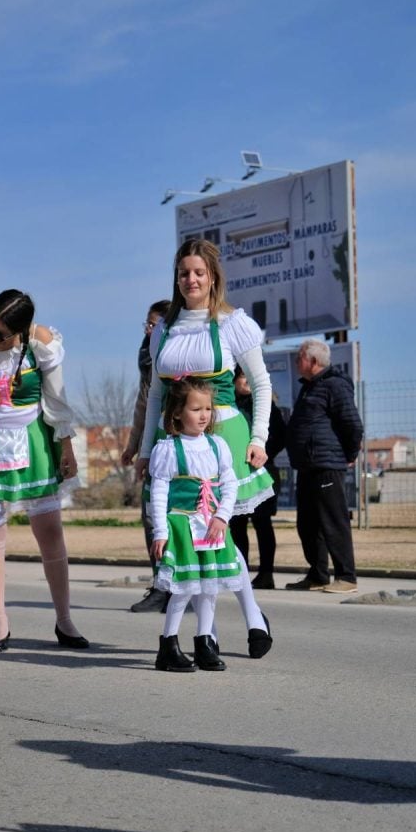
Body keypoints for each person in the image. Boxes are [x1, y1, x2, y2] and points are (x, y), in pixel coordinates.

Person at [136, 240, 273, 651]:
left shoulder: (234, 324)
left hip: (224, 437)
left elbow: (262, 383)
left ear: (212, 276)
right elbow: (157, 397)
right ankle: (209, 633)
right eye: (183, 273)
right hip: (175, 441)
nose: (190, 279)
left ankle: (250, 620)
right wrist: (145, 450)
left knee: (219, 536)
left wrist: (259, 437)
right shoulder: (165, 328)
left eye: (198, 272)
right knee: (193, 537)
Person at [0, 289, 87, 652]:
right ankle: (0, 622)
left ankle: (64, 619)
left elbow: (56, 402)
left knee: (50, 533)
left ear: (19, 332)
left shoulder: (42, 345)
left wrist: (66, 445)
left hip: (33, 442)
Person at [149, 378, 242, 672]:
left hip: (211, 526)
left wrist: (222, 515)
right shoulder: (168, 448)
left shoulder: (217, 445)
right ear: (177, 412)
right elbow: (159, 491)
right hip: (181, 525)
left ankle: (205, 642)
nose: (204, 415)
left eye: (208, 408)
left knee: (209, 588)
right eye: (195, 408)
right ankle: (168, 644)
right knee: (185, 588)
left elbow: (230, 484)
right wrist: (160, 531)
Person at [285, 338, 363, 594]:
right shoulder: (310, 387)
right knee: (307, 524)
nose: (297, 362)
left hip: (327, 464)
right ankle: (318, 575)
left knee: (333, 521)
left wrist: (349, 454)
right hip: (307, 465)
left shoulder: (335, 385)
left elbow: (352, 424)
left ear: (314, 361)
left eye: (300, 357)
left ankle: (346, 576)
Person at [122, 300, 172, 613]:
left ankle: (178, 587)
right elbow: (143, 407)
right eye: (147, 325)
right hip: (153, 448)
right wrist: (134, 447)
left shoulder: (176, 355)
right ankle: (160, 584)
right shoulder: (147, 357)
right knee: (151, 516)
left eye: (155, 325)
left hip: (177, 445)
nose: (149, 330)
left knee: (172, 519)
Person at [229, 366, 287, 590]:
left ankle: (266, 574)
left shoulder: (264, 405)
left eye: (248, 376)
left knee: (263, 524)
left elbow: (280, 435)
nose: (245, 381)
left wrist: (261, 452)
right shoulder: (229, 406)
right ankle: (240, 574)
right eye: (242, 376)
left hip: (262, 471)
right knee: (237, 524)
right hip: (236, 473)